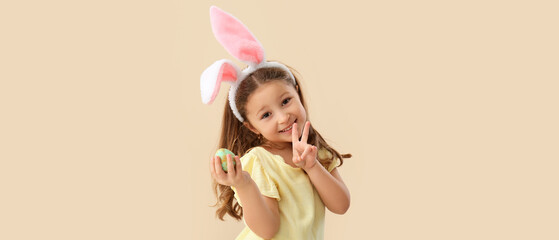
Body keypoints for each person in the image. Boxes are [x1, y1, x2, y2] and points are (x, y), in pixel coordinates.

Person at [201, 6, 351, 240]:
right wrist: (243, 183)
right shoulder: (259, 161)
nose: (283, 117)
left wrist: (312, 167)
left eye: (285, 101)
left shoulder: (313, 150)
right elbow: (268, 229)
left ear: (298, 94)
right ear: (251, 126)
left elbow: (341, 205)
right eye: (266, 115)